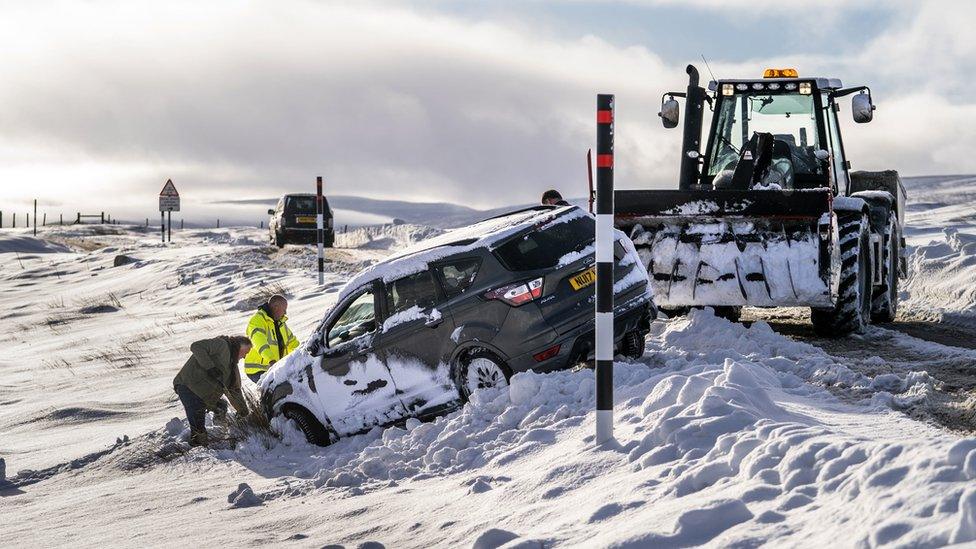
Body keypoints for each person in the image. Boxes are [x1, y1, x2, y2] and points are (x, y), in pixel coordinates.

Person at [172, 335, 252, 446]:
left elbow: (234, 390)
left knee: (221, 407)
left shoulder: (232, 368)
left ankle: (218, 433)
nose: (244, 357)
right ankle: (195, 450)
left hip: (203, 395)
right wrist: (210, 368)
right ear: (240, 346)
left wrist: (244, 412)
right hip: (188, 387)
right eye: (246, 352)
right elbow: (196, 346)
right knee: (198, 429)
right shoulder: (222, 344)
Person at [244, 294, 299, 383]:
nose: (285, 313)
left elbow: (292, 342)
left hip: (275, 367)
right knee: (276, 390)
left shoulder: (280, 323)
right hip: (258, 369)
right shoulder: (258, 320)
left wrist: (304, 352)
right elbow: (260, 343)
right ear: (276, 307)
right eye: (284, 310)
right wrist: (271, 360)